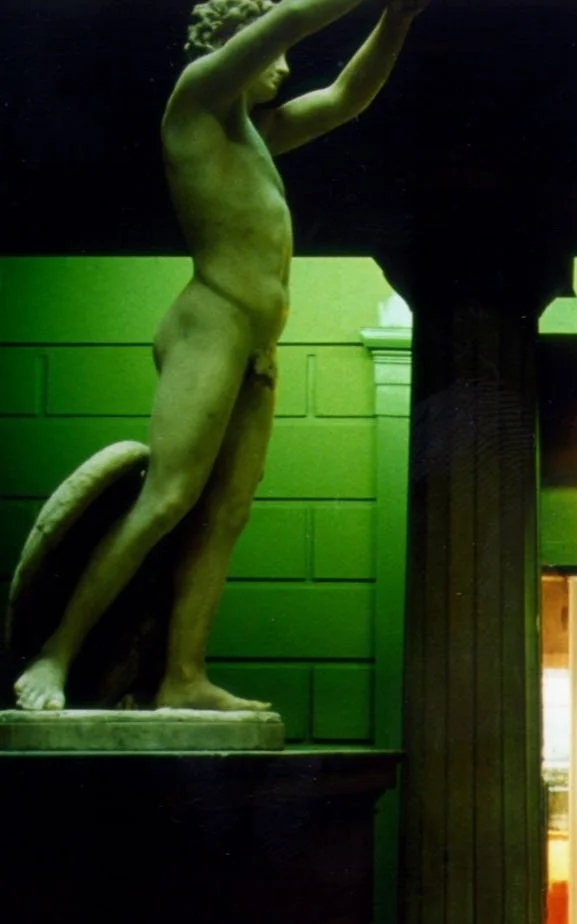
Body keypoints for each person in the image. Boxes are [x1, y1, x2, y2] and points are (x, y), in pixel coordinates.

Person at [13, 0, 426, 712]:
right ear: (238, 43)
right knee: (168, 498)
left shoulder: (256, 134)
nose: (286, 68)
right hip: (211, 322)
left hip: (256, 343)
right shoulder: (197, 99)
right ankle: (56, 654)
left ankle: (182, 676)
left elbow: (345, 97)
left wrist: (399, 16)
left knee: (225, 515)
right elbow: (293, 19)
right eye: (272, 55)